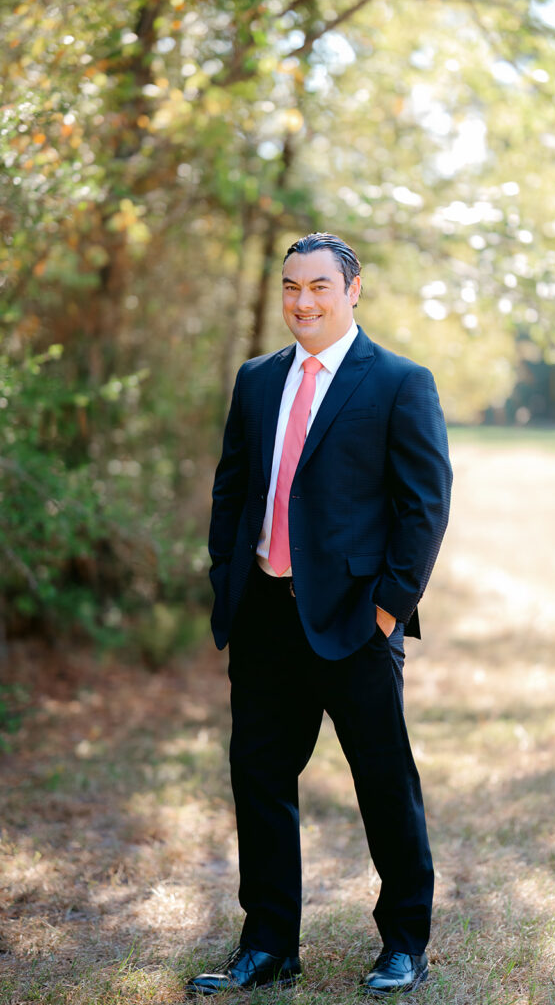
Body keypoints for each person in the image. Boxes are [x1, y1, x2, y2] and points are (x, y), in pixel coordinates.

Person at [187, 233, 452, 998]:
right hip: (264, 614)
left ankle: (404, 943)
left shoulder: (398, 381)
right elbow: (232, 487)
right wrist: (228, 577)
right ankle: (269, 946)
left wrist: (389, 609)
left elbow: (425, 504)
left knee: (383, 783)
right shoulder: (256, 379)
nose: (302, 301)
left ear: (352, 290)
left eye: (318, 287)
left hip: (355, 620)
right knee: (260, 779)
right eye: (291, 286)